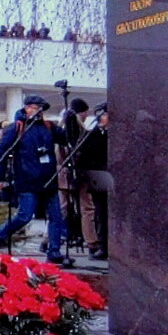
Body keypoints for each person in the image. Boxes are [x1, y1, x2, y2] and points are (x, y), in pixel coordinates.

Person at [0, 94, 71, 265]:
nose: (39, 111)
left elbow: (67, 138)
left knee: (56, 216)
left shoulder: (49, 127)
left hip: (48, 179)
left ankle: (54, 252)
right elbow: (0, 153)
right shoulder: (17, 128)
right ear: (27, 107)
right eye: (36, 107)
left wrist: (70, 121)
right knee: (24, 216)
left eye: (41, 109)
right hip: (27, 180)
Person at [59, 98, 99, 256]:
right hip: (78, 174)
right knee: (87, 208)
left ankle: (49, 239)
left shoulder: (61, 130)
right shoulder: (81, 132)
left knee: (61, 208)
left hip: (63, 174)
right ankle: (91, 242)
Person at [77, 103, 110, 259]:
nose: (102, 118)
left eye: (104, 114)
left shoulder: (120, 134)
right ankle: (103, 245)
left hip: (117, 178)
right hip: (100, 179)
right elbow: (82, 156)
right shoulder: (93, 135)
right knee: (101, 213)